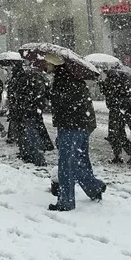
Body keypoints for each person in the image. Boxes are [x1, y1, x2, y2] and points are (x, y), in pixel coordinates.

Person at [45, 55, 105, 211]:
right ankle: (94, 188)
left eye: (47, 63)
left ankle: (66, 201)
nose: (45, 65)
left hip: (71, 126)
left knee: (66, 164)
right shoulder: (69, 78)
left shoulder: (64, 81)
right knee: (79, 161)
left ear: (55, 65)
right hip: (79, 125)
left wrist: (51, 96)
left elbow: (68, 104)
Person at [100, 66, 131, 164]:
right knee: (115, 134)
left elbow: (109, 94)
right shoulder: (118, 81)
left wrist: (103, 84)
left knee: (117, 134)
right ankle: (119, 155)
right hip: (118, 110)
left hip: (117, 111)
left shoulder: (113, 81)